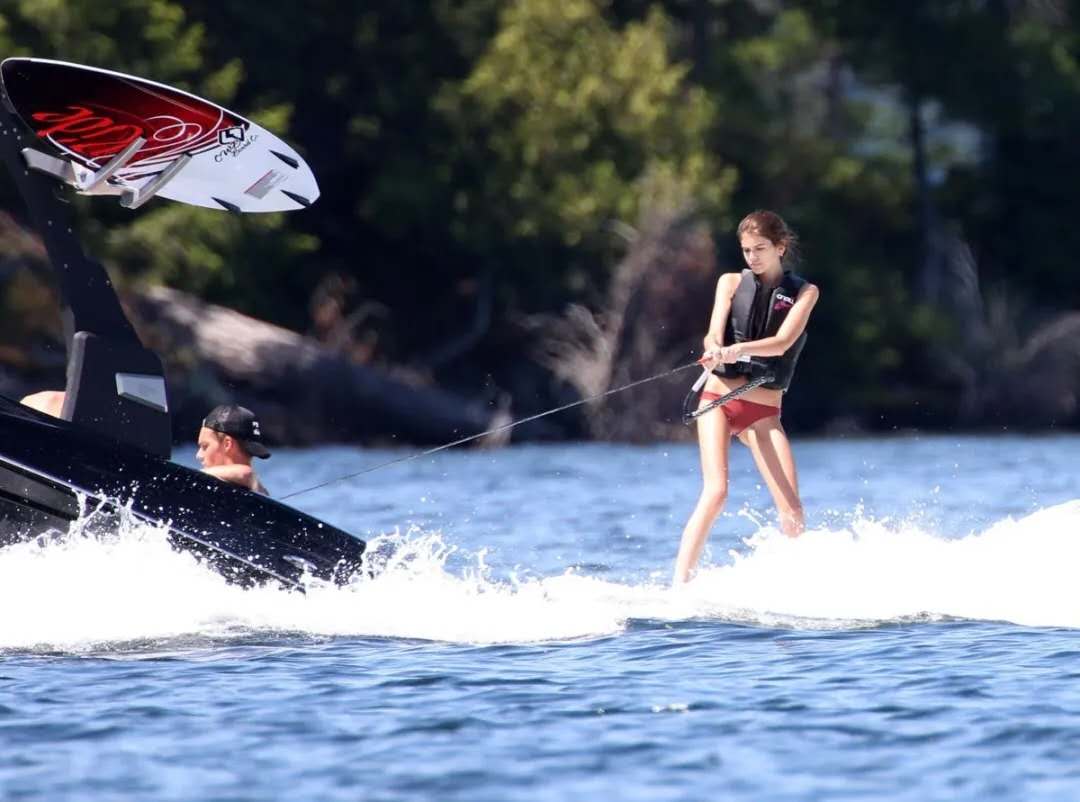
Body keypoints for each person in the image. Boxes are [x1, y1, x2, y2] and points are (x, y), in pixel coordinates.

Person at [673, 210, 819, 584]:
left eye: (760, 249)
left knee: (793, 511)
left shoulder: (805, 292)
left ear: (780, 247)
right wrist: (714, 349)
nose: (752, 257)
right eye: (746, 250)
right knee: (717, 492)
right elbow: (712, 335)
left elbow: (783, 342)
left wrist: (739, 351)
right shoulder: (729, 282)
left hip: (763, 411)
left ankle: (796, 585)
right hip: (717, 400)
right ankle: (680, 586)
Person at [196, 404, 270, 495]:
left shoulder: (250, 480)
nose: (198, 455)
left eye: (205, 446)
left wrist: (193, 475)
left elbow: (245, 473)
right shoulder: (261, 492)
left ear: (227, 444)